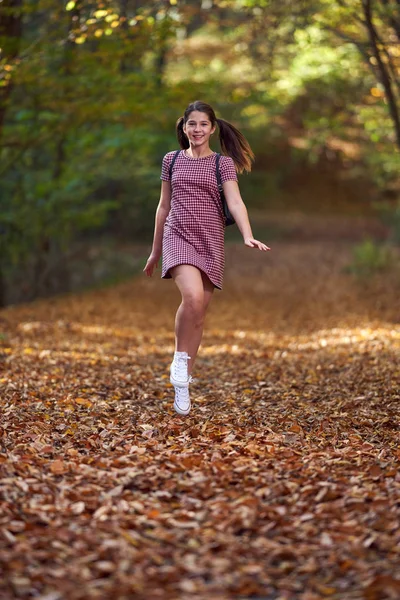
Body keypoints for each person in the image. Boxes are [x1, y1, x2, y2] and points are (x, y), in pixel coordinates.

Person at [143, 100, 270, 416]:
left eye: (202, 124)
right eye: (191, 124)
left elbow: (236, 203)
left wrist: (247, 234)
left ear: (212, 128)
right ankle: (179, 358)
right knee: (192, 297)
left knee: (199, 314)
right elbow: (162, 206)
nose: (196, 130)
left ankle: (183, 385)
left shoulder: (222, 164)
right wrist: (156, 250)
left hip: (210, 240)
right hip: (178, 235)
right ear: (183, 127)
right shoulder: (171, 160)